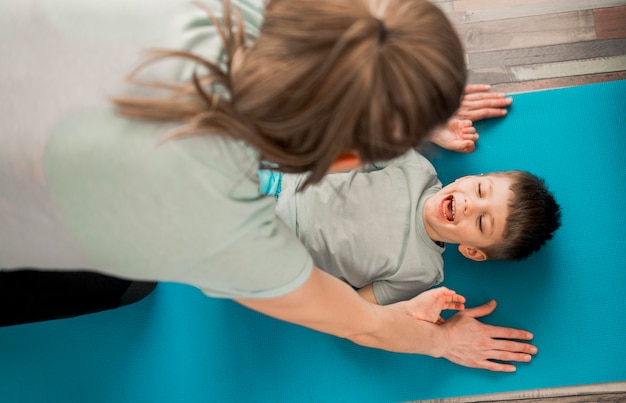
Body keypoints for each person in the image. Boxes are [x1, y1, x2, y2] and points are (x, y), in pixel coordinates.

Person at [0, 0, 537, 372]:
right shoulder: (216, 219)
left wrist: (407, 95)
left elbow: (363, 308)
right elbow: (360, 323)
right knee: (125, 288)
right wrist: (438, 341)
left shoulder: (232, 17)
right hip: (46, 211)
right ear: (345, 156)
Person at [258, 124, 562, 306]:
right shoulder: (415, 168)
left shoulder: (423, 272)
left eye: (482, 222)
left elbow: (360, 305)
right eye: (481, 190)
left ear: (472, 250)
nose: (471, 205)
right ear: (468, 178)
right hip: (284, 183)